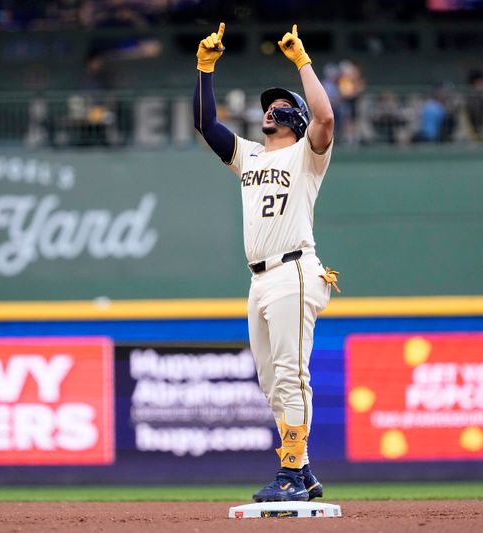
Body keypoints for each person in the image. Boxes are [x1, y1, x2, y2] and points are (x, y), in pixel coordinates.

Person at [193, 22, 339, 502]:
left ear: (293, 120)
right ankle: (305, 469)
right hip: (259, 279)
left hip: (295, 268)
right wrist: (205, 68)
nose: (269, 110)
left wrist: (302, 63)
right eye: (267, 107)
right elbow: (207, 125)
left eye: (279, 107)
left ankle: (292, 472)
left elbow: (326, 118)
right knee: (271, 380)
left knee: (291, 372)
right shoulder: (250, 156)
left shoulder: (306, 154)